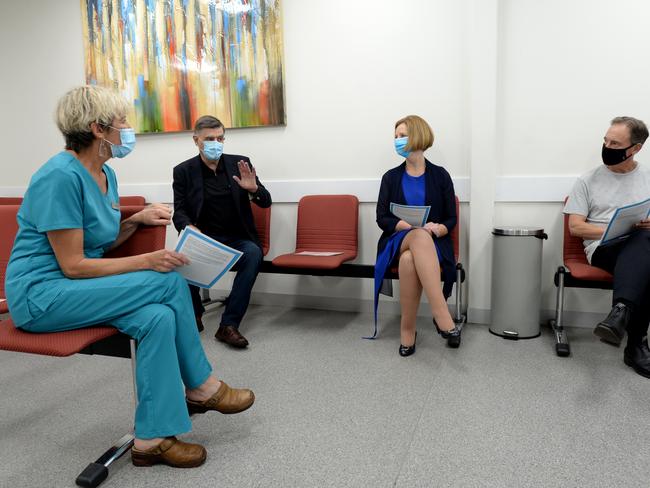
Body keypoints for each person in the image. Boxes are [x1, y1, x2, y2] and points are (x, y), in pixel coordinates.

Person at [4, 86, 255, 468]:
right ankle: (202, 386)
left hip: (78, 287)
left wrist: (133, 221)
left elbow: (96, 246)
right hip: (41, 295)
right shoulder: (58, 177)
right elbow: (73, 264)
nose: (128, 129)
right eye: (122, 121)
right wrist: (148, 260)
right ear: (98, 129)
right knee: (169, 279)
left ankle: (152, 437)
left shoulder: (105, 174)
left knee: (158, 318)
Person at [172, 115, 272, 348]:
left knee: (254, 254)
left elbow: (266, 201)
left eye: (219, 138)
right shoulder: (183, 171)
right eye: (209, 139)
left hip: (238, 239)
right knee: (185, 257)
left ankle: (229, 325)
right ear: (196, 140)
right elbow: (180, 211)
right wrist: (189, 227)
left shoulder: (240, 163)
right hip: (204, 239)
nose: (215, 143)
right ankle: (194, 314)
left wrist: (254, 188)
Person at [565, 116, 650, 378]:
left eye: (615, 143)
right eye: (606, 140)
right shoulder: (587, 180)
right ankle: (636, 345)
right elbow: (576, 227)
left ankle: (620, 312)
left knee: (644, 244)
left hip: (641, 245)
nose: (607, 146)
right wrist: (614, 229)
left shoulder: (647, 177)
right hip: (603, 248)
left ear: (635, 148)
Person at [374, 115, 461, 356]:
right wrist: (401, 225)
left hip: (433, 242)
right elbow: (382, 217)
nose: (397, 141)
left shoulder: (440, 175)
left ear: (418, 136)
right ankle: (441, 314)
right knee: (416, 238)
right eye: (396, 137)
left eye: (402, 136)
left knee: (410, 258)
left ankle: (407, 330)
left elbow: (451, 218)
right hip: (396, 240)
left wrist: (438, 228)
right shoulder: (390, 177)